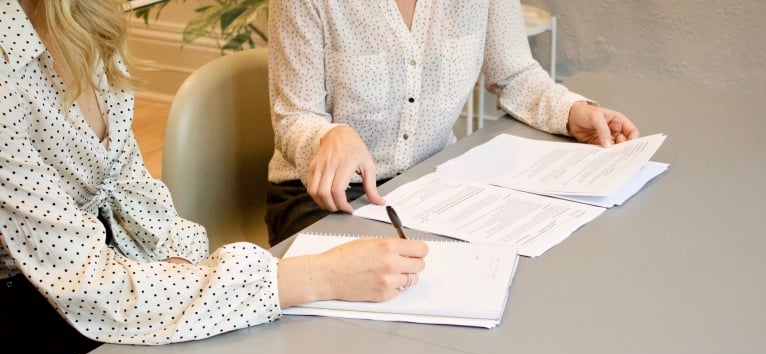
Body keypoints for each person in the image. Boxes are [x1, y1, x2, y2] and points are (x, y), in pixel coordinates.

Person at [0, 0, 428, 354]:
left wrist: (181, 265)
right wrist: (318, 276)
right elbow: (90, 286)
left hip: (101, 276)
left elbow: (129, 186)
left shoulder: (87, 20)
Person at [266, 0, 640, 245]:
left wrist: (572, 111)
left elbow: (515, 74)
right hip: (323, 198)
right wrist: (329, 136)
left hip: (429, 184)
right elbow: (294, 116)